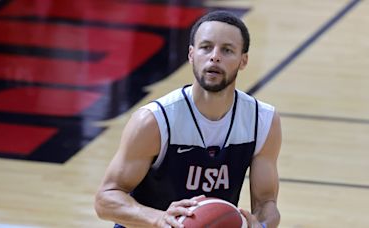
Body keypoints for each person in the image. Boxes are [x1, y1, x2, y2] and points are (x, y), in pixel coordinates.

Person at [95, 10, 282, 228]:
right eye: (206, 47)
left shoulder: (262, 121)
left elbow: (266, 202)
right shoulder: (154, 121)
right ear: (191, 54)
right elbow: (106, 199)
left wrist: (262, 225)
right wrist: (159, 218)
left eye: (227, 50)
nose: (215, 56)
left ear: (243, 61)